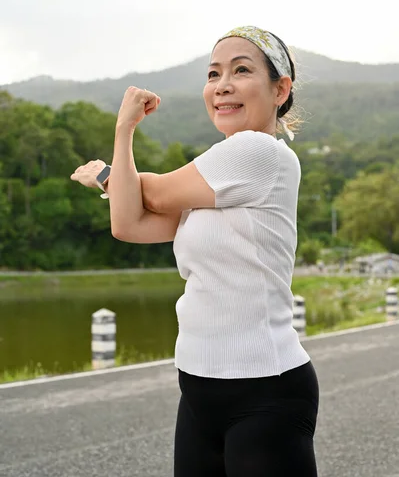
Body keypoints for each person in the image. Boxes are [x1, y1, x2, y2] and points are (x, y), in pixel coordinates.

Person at [71, 26, 319, 477]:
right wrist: (123, 148)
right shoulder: (215, 177)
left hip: (264, 390)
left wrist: (113, 160)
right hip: (199, 386)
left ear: (280, 89)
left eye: (241, 70)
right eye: (213, 73)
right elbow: (129, 222)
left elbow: (157, 194)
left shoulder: (260, 152)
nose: (222, 84)